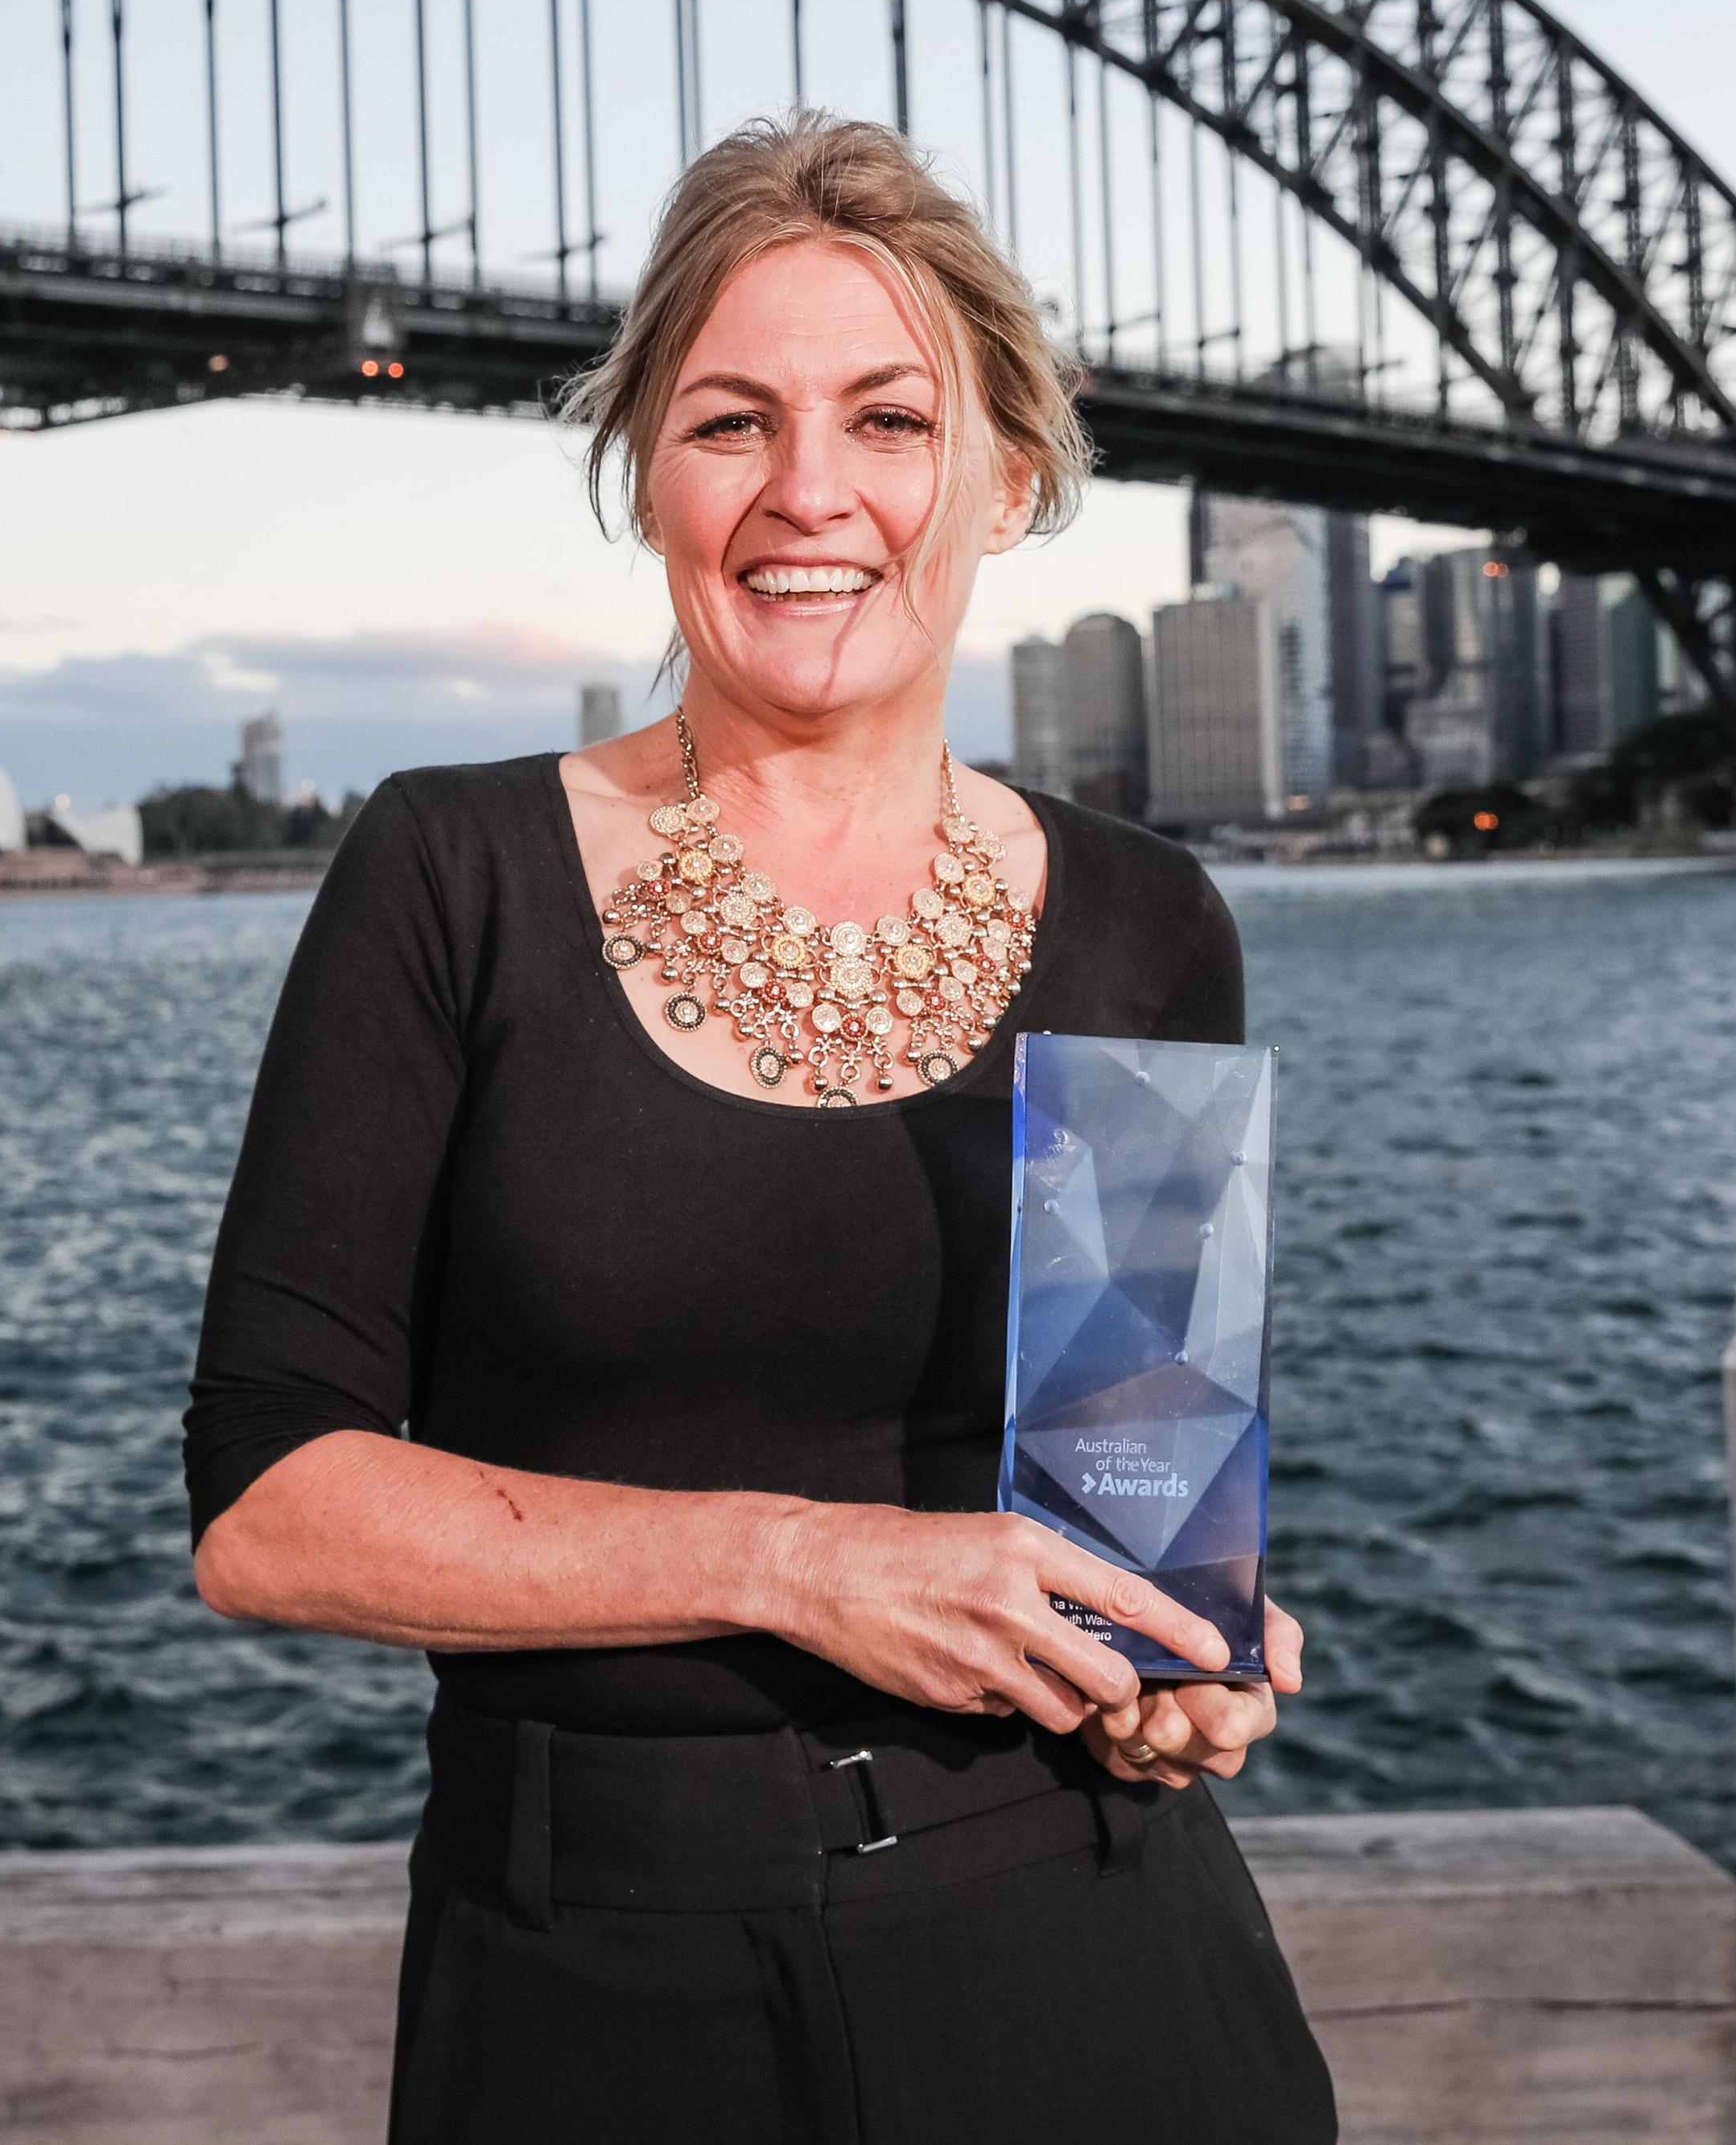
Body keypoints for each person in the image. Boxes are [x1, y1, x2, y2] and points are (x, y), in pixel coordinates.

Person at [183, 113, 1334, 2143]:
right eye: (732, 423)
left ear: (1009, 473)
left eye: (890, 421)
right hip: (598, 1984)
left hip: (1087, 1948)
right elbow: (270, 1508)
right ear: (646, 474)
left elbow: (1135, 1470)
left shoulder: (1155, 918)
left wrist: (1186, 1653)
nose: (812, 494)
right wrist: (803, 1563)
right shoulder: (449, 869)